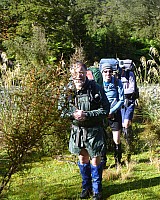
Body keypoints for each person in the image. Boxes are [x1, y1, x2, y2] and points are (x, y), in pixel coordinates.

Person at [59, 61, 110, 200]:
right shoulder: (68, 89)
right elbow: (61, 110)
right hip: (77, 132)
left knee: (95, 160)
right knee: (82, 158)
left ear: (86, 72)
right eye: (75, 73)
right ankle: (85, 187)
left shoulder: (96, 88)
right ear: (71, 74)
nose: (78, 75)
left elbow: (105, 110)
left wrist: (86, 114)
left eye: (81, 72)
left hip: (94, 131)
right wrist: (72, 114)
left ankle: (97, 190)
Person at [101, 63, 124, 168]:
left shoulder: (117, 82)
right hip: (101, 114)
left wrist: (112, 111)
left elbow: (122, 100)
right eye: (105, 71)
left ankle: (118, 161)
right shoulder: (98, 84)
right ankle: (102, 162)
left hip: (115, 113)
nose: (108, 73)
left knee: (117, 138)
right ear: (102, 72)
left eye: (110, 71)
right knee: (101, 138)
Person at [120, 65, 137, 163]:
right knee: (122, 124)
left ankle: (128, 145)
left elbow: (132, 88)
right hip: (120, 104)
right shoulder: (116, 76)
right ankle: (125, 146)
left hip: (129, 102)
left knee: (126, 123)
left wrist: (121, 92)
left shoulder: (129, 74)